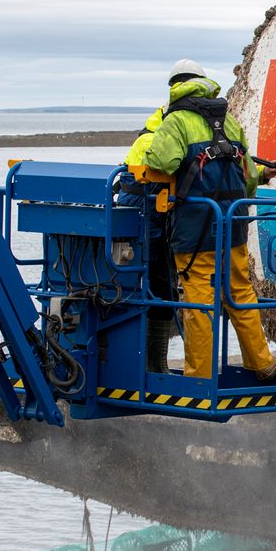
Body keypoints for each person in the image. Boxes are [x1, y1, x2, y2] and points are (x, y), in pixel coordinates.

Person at [145, 59, 276, 381]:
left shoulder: (177, 120)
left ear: (174, 87)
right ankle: (260, 361)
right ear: (205, 84)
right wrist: (263, 176)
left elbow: (163, 163)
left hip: (195, 226)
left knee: (199, 300)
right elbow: (248, 177)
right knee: (240, 290)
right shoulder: (229, 121)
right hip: (233, 221)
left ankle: (199, 375)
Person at [116, 105, 177, 373]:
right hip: (148, 224)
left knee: (142, 289)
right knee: (161, 289)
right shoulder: (158, 143)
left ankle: (145, 363)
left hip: (136, 223)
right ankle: (155, 366)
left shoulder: (146, 138)